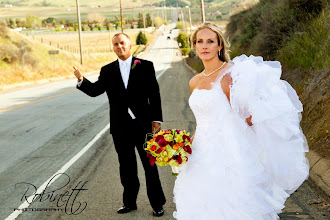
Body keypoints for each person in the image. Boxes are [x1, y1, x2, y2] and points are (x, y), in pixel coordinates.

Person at [173, 22, 309, 219]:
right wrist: (183, 147)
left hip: (230, 154)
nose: (204, 46)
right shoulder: (194, 82)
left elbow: (247, 119)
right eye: (199, 41)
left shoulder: (229, 76)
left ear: (220, 46)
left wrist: (252, 148)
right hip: (200, 153)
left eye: (210, 41)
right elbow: (202, 121)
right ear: (194, 46)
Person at [73, 33, 166, 217]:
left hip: (143, 126)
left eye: (122, 43)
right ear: (113, 47)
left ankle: (157, 204)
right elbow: (95, 91)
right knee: (126, 167)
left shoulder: (146, 66)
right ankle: (129, 203)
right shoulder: (107, 70)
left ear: (129, 45)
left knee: (150, 166)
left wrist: (157, 119)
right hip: (120, 128)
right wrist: (81, 80)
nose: (119, 47)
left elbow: (154, 94)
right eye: (115, 44)